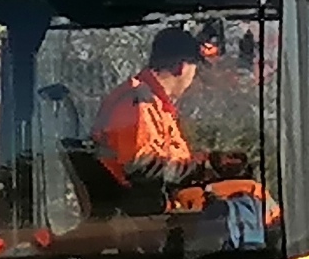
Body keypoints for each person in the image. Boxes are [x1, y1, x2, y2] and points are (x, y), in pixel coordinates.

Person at [89, 27, 217, 209]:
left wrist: (207, 162)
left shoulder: (154, 103)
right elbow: (141, 168)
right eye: (194, 69)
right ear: (182, 67)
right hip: (139, 209)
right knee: (250, 194)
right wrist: (199, 170)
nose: (193, 78)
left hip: (158, 199)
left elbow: (162, 158)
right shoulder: (140, 101)